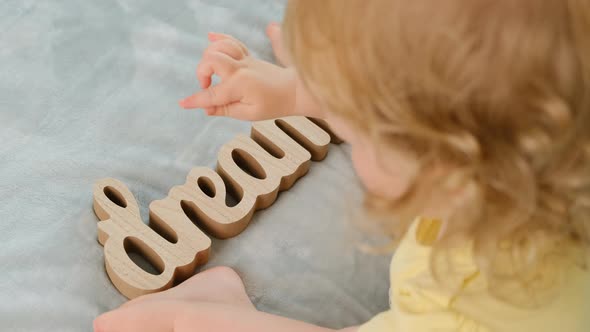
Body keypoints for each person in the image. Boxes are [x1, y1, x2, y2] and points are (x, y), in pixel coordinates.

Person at [94, 1, 590, 331]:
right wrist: (298, 89)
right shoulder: (550, 139)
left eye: (352, 112)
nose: (337, 114)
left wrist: (197, 324)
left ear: (446, 172)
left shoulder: (464, 308)